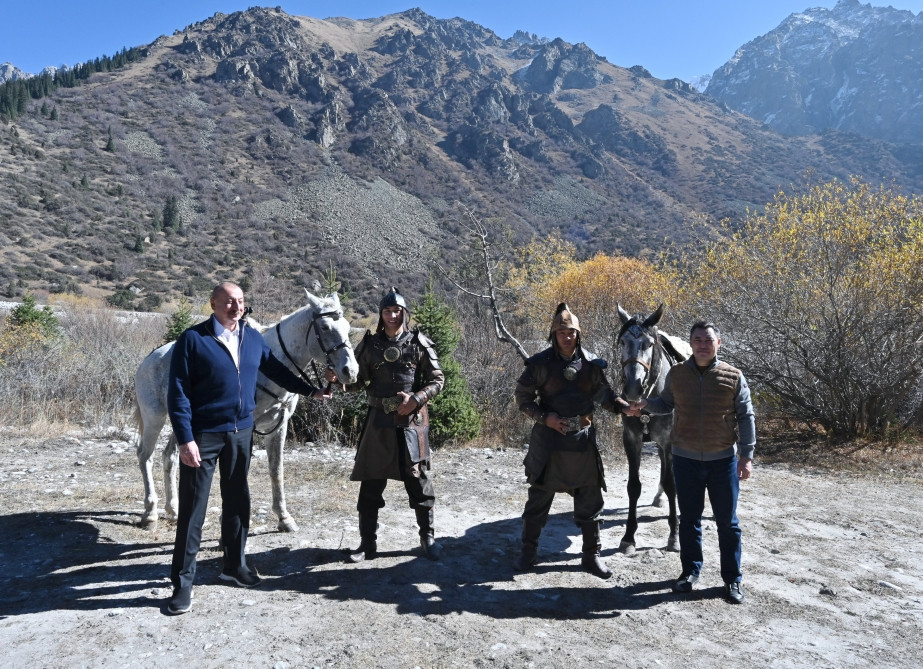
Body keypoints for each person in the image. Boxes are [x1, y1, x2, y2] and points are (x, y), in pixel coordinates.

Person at [166, 281, 333, 615]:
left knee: (238, 501)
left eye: (240, 301)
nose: (236, 306)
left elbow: (277, 371)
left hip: (241, 432)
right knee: (193, 509)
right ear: (213, 303)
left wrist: (311, 391)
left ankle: (234, 566)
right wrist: (185, 439)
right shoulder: (193, 339)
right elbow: (178, 392)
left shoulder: (252, 338)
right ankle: (183, 583)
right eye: (228, 301)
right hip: (203, 434)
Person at [626, 320, 755, 604]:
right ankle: (690, 572)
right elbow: (666, 403)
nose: (703, 345)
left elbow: (746, 416)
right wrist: (646, 405)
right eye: (697, 340)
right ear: (691, 343)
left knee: (727, 523)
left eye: (708, 340)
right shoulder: (678, 373)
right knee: (689, 521)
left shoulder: (733, 376)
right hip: (685, 460)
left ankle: (732, 579)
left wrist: (746, 456)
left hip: (722, 461)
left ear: (718, 343)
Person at [513, 303, 627, 579]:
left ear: (579, 334)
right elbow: (523, 398)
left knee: (590, 499)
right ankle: (528, 552)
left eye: (572, 332)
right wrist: (545, 418)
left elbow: (605, 396)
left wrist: (625, 407)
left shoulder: (591, 364)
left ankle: (591, 555)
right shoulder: (539, 364)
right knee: (538, 499)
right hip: (548, 442)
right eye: (562, 332)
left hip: (582, 440)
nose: (567, 337)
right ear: (554, 335)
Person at [341, 287, 445, 562]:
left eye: (397, 311)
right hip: (378, 422)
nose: (392, 316)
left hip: (411, 422)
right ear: (381, 314)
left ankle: (428, 538)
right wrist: (339, 379)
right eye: (387, 311)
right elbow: (356, 382)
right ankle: (367, 544)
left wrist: (416, 399)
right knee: (371, 482)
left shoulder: (418, 342)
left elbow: (437, 380)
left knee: (418, 480)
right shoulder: (370, 345)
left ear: (404, 313)